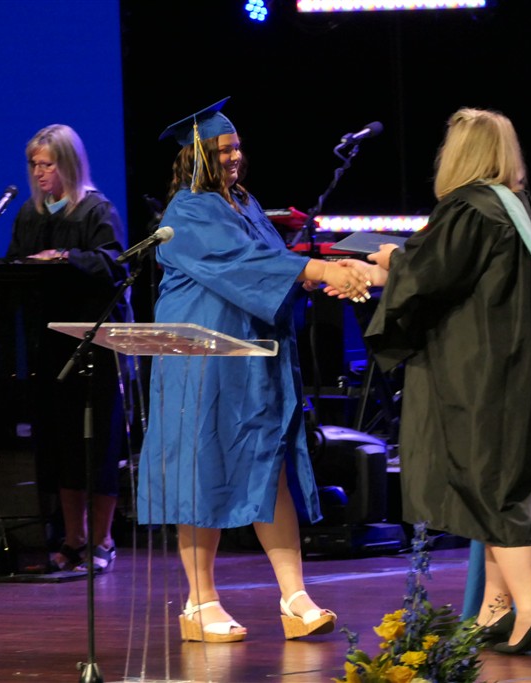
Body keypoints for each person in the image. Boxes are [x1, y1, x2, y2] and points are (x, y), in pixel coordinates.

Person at [136, 97, 369, 643]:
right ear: (197, 157)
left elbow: (274, 265)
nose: (235, 157)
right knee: (200, 471)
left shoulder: (243, 202)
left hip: (252, 356)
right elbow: (245, 265)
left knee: (270, 466)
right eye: (223, 150)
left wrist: (316, 273)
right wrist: (315, 270)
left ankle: (295, 598)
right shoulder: (189, 211)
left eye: (238, 147)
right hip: (202, 361)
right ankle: (200, 602)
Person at [354, 108, 531, 654]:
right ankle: (493, 611)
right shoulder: (519, 208)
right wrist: (393, 267)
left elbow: (427, 276)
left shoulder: (469, 208)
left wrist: (391, 259)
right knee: (494, 482)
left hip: (483, 374)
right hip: (524, 366)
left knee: (493, 486)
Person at [0, 123, 131, 574]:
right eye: (34, 164)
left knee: (95, 445)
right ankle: (73, 539)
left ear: (69, 165)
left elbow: (113, 264)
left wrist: (63, 256)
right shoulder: (30, 214)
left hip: (93, 343)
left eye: (48, 164)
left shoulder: (96, 210)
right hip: (48, 344)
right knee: (61, 448)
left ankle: (102, 540)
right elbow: (19, 262)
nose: (39, 173)